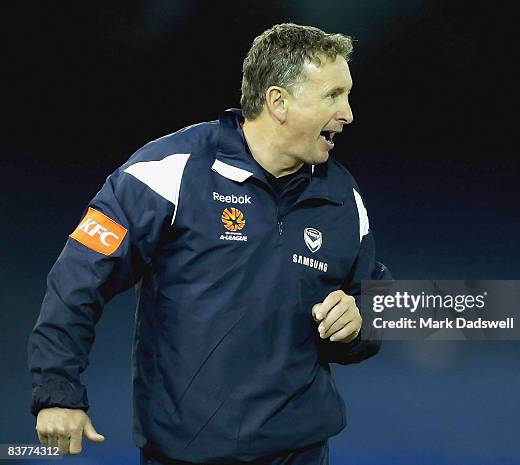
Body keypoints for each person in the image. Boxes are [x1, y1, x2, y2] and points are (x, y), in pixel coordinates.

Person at [28, 23, 391, 465]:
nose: (348, 113)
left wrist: (359, 322)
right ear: (278, 101)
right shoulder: (166, 174)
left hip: (301, 453)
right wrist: (57, 390)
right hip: (185, 455)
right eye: (333, 95)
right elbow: (77, 280)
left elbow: (375, 303)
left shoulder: (342, 199)